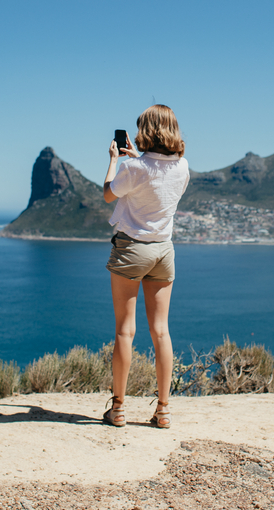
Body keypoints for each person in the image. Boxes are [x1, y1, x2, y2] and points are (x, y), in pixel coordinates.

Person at [101, 104, 189, 428]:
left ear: (145, 131)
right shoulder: (182, 168)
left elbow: (109, 194)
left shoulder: (133, 168)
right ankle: (163, 410)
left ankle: (119, 408)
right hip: (163, 252)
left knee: (125, 331)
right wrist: (137, 158)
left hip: (131, 250)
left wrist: (114, 161)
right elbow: (158, 179)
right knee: (160, 331)